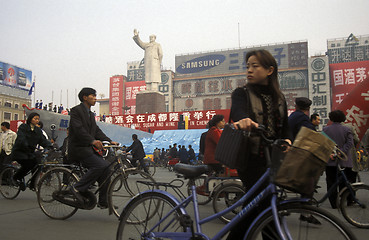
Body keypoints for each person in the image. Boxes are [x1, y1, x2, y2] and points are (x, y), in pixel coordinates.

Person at [227, 49, 291, 239]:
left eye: (255, 66)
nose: (249, 70)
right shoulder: (242, 93)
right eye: (248, 66)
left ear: (270, 70)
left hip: (274, 161)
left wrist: (288, 139)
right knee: (264, 206)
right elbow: (237, 112)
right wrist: (243, 120)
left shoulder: (280, 98)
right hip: (250, 159)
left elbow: (286, 127)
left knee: (258, 208)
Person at [68, 87, 118, 209]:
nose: (95, 98)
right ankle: (77, 188)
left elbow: (96, 130)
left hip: (88, 149)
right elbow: (79, 130)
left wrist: (109, 140)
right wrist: (92, 141)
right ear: (85, 97)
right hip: (78, 149)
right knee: (100, 165)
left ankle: (103, 200)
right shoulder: (76, 111)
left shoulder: (91, 114)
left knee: (106, 168)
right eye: (93, 96)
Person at [12, 112, 52, 191]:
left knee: (38, 165)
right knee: (28, 164)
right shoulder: (23, 127)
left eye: (38, 119)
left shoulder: (38, 130)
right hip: (20, 151)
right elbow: (21, 138)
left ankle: (32, 184)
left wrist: (50, 145)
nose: (37, 120)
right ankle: (16, 178)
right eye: (35, 119)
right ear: (30, 119)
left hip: (29, 152)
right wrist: (25, 144)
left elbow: (42, 140)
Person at [323, 110, 355, 209]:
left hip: (330, 160)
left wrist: (332, 153)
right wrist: (340, 152)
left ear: (331, 118)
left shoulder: (325, 130)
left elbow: (323, 144)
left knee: (331, 182)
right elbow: (350, 143)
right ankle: (343, 200)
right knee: (345, 182)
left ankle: (333, 203)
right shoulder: (346, 130)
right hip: (344, 161)